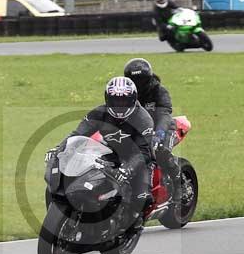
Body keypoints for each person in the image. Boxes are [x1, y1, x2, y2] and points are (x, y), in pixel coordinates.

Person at [59, 77, 154, 231]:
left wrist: (128, 169)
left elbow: (144, 151)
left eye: (124, 101)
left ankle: (133, 226)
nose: (119, 105)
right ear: (107, 99)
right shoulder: (99, 113)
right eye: (115, 100)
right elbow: (77, 134)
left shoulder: (143, 119)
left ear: (133, 100)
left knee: (142, 199)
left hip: (138, 159)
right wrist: (60, 149)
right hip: (110, 153)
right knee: (84, 179)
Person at [123, 58, 182, 201]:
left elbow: (164, 114)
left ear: (148, 79)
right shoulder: (126, 93)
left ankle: (178, 183)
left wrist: (159, 133)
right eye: (134, 81)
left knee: (160, 151)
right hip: (139, 131)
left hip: (163, 128)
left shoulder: (159, 91)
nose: (138, 84)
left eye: (141, 81)